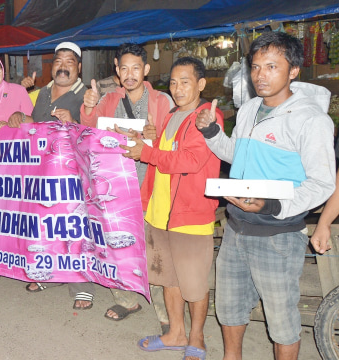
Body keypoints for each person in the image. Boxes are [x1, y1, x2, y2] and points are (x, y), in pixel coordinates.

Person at [197, 31, 336, 360]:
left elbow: (321, 183)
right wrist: (212, 132)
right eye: (255, 67)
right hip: (236, 228)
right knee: (229, 308)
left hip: (278, 235)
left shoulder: (311, 120)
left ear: (293, 70)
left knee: (282, 320)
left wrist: (271, 204)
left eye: (272, 66)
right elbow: (237, 155)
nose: (260, 75)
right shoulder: (248, 109)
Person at [124, 57, 222, 360]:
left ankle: (197, 337)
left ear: (201, 84)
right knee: (168, 278)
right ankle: (176, 332)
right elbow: (161, 161)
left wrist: (148, 153)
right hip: (160, 214)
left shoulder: (207, 119)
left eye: (186, 82)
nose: (178, 89)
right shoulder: (170, 116)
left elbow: (191, 162)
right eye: (174, 82)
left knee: (194, 284)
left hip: (190, 216)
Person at [80, 43, 173, 325]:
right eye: (124, 68)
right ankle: (126, 300)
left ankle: (166, 312)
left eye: (136, 68)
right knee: (115, 246)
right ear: (117, 71)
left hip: (149, 185)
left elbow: (169, 143)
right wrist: (88, 105)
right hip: (115, 186)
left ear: (145, 70)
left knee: (153, 250)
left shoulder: (161, 101)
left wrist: (156, 135)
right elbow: (89, 130)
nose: (130, 74)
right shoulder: (109, 100)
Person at [17, 42, 96, 310]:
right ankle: (48, 274)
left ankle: (82, 284)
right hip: (42, 174)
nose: (63, 66)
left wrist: (74, 122)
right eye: (59, 61)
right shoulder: (41, 93)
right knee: (45, 225)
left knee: (75, 228)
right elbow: (34, 124)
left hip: (74, 178)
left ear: (79, 67)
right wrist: (19, 118)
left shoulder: (87, 95)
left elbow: (97, 134)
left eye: (70, 62)